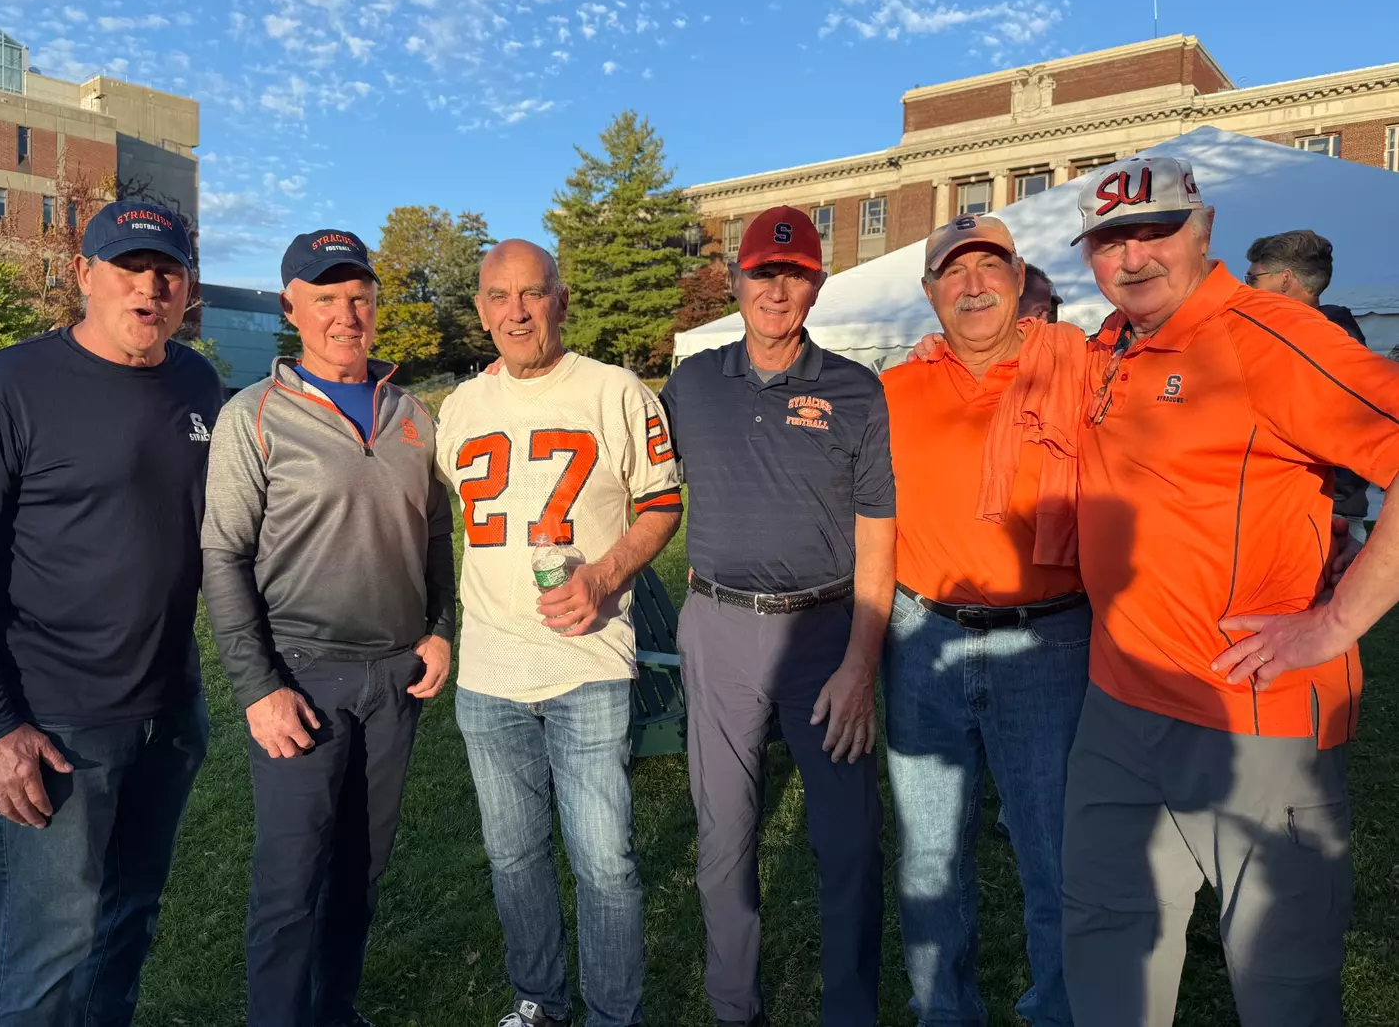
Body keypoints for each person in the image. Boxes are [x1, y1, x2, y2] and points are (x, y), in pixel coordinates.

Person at [1063, 157, 1399, 1026]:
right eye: (1110, 242)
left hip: (1254, 715)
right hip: (1117, 707)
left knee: (1280, 988)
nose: (1132, 259)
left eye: (1155, 232)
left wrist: (1335, 622)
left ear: (1202, 230)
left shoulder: (1267, 335)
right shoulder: (1105, 346)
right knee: (1108, 962)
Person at [0, 200, 222, 1026]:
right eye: (128, 267)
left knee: (127, 926)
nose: (148, 286)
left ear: (186, 288)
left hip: (169, 712)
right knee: (51, 954)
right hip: (57, 727)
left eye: (166, 270)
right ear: (84, 276)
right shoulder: (5, 387)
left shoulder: (197, 382)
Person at [201, 230, 457, 1027]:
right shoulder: (255, 415)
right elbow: (222, 554)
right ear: (291, 308)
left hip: (394, 680)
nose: (346, 314)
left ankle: (333, 1010)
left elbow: (437, 537)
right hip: (301, 680)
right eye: (325, 298)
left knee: (362, 871)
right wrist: (258, 688)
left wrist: (441, 626)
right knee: (290, 881)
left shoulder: (413, 414)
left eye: (358, 297)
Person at [436, 239, 682, 1027]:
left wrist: (605, 578)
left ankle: (614, 1014)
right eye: (499, 296)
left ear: (560, 301)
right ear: (479, 308)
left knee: (604, 862)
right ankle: (538, 999)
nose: (516, 312)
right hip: (489, 669)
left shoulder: (616, 392)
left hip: (587, 660)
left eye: (532, 294)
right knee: (513, 858)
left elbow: (662, 502)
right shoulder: (460, 407)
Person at [660, 206, 896, 1027]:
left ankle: (850, 1012)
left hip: (824, 637)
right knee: (724, 837)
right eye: (763, 272)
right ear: (736, 281)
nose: (777, 288)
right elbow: (645, 488)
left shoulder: (855, 390)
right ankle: (734, 1008)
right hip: (717, 628)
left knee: (849, 842)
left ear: (817, 286)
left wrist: (861, 666)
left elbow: (878, 538)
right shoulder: (691, 383)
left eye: (793, 275)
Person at [880, 214, 1089, 1027]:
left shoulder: (1078, 371)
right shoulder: (892, 390)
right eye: (952, 273)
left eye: (988, 268)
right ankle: (943, 1013)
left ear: (1018, 278)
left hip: (1048, 642)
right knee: (930, 856)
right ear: (930, 291)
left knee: (1054, 856)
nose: (971, 286)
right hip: (920, 636)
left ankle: (1058, 1012)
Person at [1246, 230, 1371, 538]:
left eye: (1253, 280)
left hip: (1322, 514)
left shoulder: (1328, 340)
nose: (1246, 290)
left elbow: (1350, 428)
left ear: (1285, 279)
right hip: (1294, 508)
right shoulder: (1297, 335)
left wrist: (1337, 505)